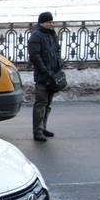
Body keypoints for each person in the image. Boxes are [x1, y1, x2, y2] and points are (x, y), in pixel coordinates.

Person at [29, 11, 64, 142]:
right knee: (41, 103)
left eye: (52, 22)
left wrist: (59, 64)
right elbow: (34, 56)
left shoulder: (51, 34)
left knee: (48, 103)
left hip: (53, 74)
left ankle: (43, 127)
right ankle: (37, 131)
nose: (51, 24)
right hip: (43, 76)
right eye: (49, 22)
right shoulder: (36, 35)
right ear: (42, 23)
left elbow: (57, 50)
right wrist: (44, 71)